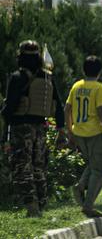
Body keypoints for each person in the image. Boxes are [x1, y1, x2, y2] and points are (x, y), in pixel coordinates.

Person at [0, 40, 66, 217]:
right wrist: (61, 131)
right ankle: (41, 204)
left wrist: (4, 113)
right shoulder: (47, 77)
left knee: (22, 168)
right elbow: (58, 106)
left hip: (21, 129)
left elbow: (11, 108)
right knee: (39, 168)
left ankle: (32, 207)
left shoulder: (17, 77)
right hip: (41, 129)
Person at [65, 55, 102, 218]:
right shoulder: (99, 87)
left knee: (94, 164)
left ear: (83, 70)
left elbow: (67, 109)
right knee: (99, 169)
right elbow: (101, 111)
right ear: (100, 71)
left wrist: (70, 131)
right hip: (94, 133)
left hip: (78, 132)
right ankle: (88, 205)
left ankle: (80, 187)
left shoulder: (76, 86)